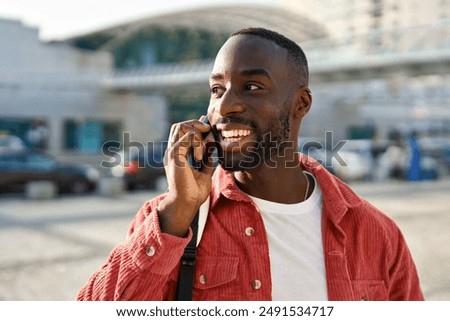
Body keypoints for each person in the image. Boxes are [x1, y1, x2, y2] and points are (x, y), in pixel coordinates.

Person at [77, 27, 423, 301]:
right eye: (216, 89)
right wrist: (178, 208)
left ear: (300, 104)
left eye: (252, 86)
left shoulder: (377, 234)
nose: (225, 107)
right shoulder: (171, 219)